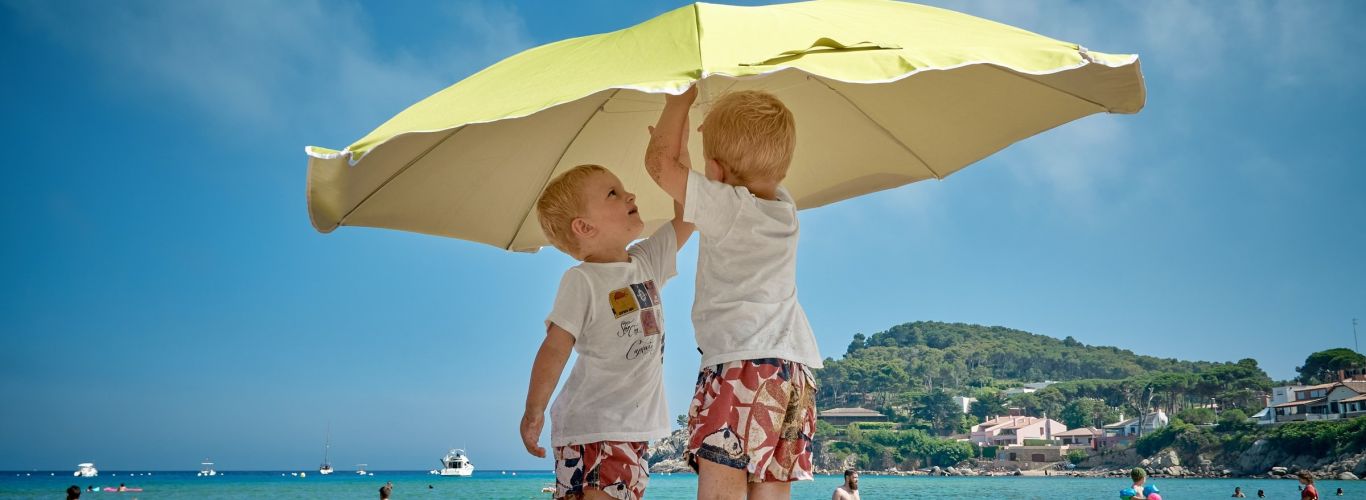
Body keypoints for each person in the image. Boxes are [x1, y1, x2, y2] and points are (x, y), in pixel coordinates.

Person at [645, 85, 821, 500]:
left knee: (723, 492)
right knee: (772, 492)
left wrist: (678, 104)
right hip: (793, 373)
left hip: (740, 366)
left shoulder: (727, 206)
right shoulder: (785, 208)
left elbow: (659, 165)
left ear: (716, 170)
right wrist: (716, 150)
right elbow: (729, 171)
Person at [520, 164, 694, 500]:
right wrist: (534, 410)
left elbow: (688, 215)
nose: (630, 195)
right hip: (594, 427)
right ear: (584, 227)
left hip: (633, 430)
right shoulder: (582, 280)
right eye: (613, 193)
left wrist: (676, 158)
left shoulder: (646, 261)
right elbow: (555, 348)